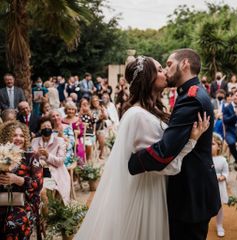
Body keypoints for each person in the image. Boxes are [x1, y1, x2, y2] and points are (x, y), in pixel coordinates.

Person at [75, 55, 210, 240]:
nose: (165, 73)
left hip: (154, 187)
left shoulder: (152, 110)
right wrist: (191, 141)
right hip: (145, 192)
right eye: (161, 69)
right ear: (149, 78)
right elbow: (163, 162)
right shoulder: (138, 115)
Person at [128, 49, 221, 240]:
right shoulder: (188, 93)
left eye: (169, 65)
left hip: (190, 192)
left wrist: (134, 162)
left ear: (184, 64)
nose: (166, 70)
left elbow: (164, 152)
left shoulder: (191, 98)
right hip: (190, 186)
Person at [0, 121, 43, 239]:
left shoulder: (31, 157)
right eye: (14, 135)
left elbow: (38, 184)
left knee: (13, 225)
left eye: (21, 135)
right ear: (6, 136)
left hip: (24, 202)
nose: (18, 138)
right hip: (1, 201)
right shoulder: (1, 154)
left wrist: (18, 179)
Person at [31, 117, 70, 205]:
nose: (46, 128)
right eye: (44, 127)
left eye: (48, 126)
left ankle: (49, 210)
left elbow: (60, 161)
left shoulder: (59, 141)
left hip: (54, 172)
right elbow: (31, 159)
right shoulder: (34, 141)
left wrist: (47, 155)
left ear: (52, 128)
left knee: (43, 191)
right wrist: (37, 154)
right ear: (40, 129)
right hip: (37, 171)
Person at [211, 133, 229, 237]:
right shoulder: (205, 158)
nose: (210, 146)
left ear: (219, 147)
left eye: (212, 144)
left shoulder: (222, 160)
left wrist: (221, 177)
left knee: (219, 207)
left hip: (218, 186)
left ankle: (219, 225)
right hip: (207, 186)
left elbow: (226, 173)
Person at [223, 89, 237, 167]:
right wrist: (235, 115)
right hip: (230, 132)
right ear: (232, 96)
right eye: (236, 95)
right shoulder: (227, 107)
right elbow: (225, 121)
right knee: (231, 143)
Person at [91, 95, 108, 159]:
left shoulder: (102, 108)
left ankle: (101, 154)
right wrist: (99, 118)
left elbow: (106, 117)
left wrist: (103, 112)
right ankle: (93, 156)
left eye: (96, 101)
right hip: (93, 128)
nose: (95, 102)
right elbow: (93, 119)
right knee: (93, 143)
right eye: (93, 101)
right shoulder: (91, 109)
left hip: (101, 127)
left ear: (98, 101)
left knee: (102, 142)